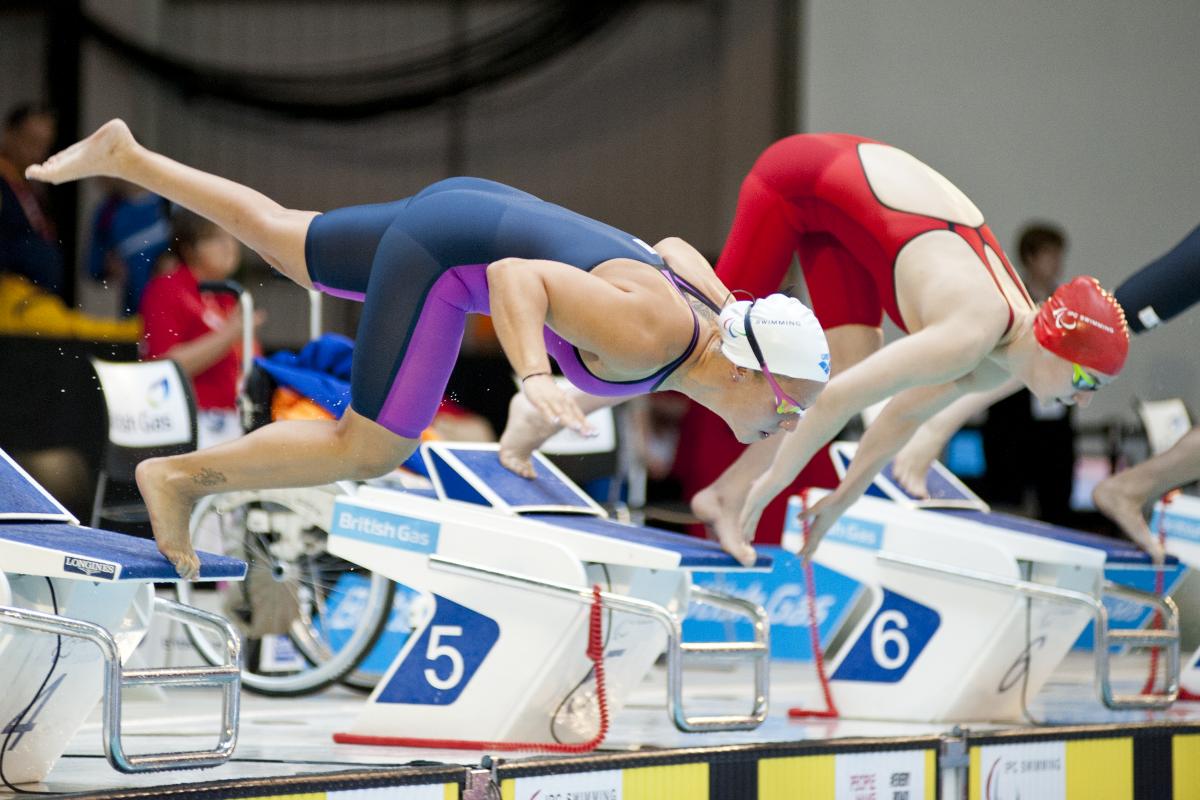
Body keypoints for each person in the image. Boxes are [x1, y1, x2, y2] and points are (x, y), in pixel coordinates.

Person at [27, 119, 831, 579]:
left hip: (468, 209)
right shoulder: (654, 334)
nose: (787, 421)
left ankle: (129, 158)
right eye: (787, 403)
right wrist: (534, 375)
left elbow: (676, 245)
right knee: (370, 446)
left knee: (284, 239)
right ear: (748, 365)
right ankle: (177, 479)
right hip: (456, 257)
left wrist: (731, 304)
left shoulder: (706, 313)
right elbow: (519, 280)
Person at [499, 134, 1129, 565]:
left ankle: (722, 496)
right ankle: (547, 405)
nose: (1083, 395)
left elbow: (899, 417)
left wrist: (840, 500)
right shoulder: (975, 329)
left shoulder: (1003, 347)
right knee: (713, 343)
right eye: (1087, 380)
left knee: (836, 369)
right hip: (799, 180)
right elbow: (842, 404)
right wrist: (773, 489)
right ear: (1057, 348)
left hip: (848, 212)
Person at [978, 222, 1077, 525]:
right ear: (1031, 257)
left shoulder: (1069, 305)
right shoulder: (1009, 301)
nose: (1057, 262)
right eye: (1050, 254)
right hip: (1012, 421)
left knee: (1056, 504)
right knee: (1008, 502)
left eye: (1059, 255)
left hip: (1055, 423)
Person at [141, 208, 263, 450]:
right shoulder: (168, 289)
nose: (229, 246)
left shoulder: (225, 296)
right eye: (214, 239)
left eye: (231, 236)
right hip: (189, 423)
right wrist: (229, 334)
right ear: (189, 248)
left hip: (233, 419)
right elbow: (164, 365)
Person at [0, 104, 62, 295]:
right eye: (32, 142)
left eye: (45, 145)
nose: (38, 153)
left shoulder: (29, 187)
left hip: (37, 301)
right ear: (9, 134)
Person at [87, 177, 171, 316]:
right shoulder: (108, 212)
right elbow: (93, 268)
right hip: (135, 314)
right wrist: (111, 267)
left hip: (175, 309)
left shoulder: (168, 201)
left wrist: (172, 261)